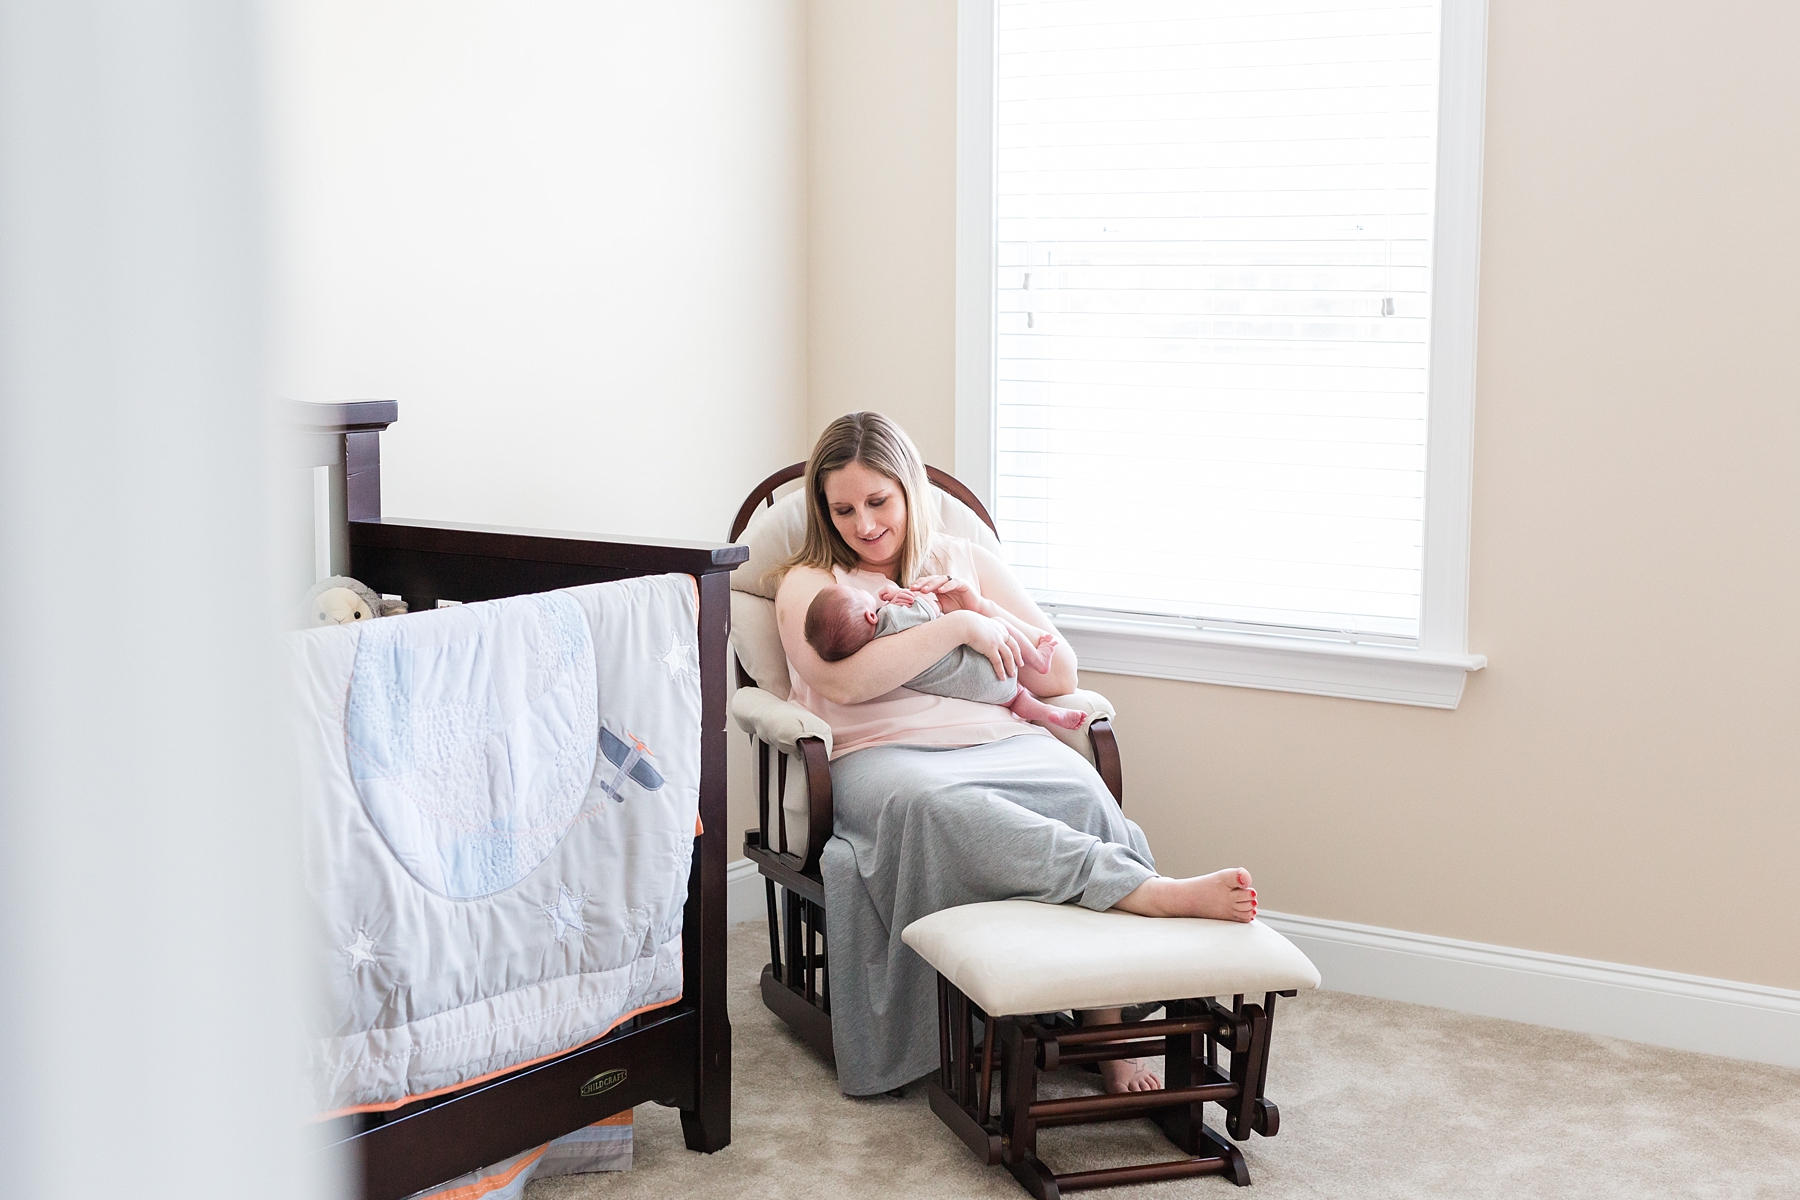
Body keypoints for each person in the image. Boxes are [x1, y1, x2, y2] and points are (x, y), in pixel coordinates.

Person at [776, 411, 1257, 1097]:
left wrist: (981, 609)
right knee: (941, 809)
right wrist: (957, 627)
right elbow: (845, 683)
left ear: (910, 490)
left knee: (1081, 791)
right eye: (843, 509)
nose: (865, 524)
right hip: (885, 757)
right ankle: (1145, 891)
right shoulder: (811, 584)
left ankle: (1104, 1032)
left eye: (879, 501)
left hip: (1003, 738)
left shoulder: (964, 560)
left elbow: (1059, 672)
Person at [802, 580, 1088, 730]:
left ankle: (1050, 714)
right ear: (870, 615)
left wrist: (891, 599)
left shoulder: (873, 650)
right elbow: (928, 611)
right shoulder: (893, 619)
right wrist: (917, 597)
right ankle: (1038, 659)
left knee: (1017, 699)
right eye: (856, 590)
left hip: (984, 691)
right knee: (998, 625)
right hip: (990, 668)